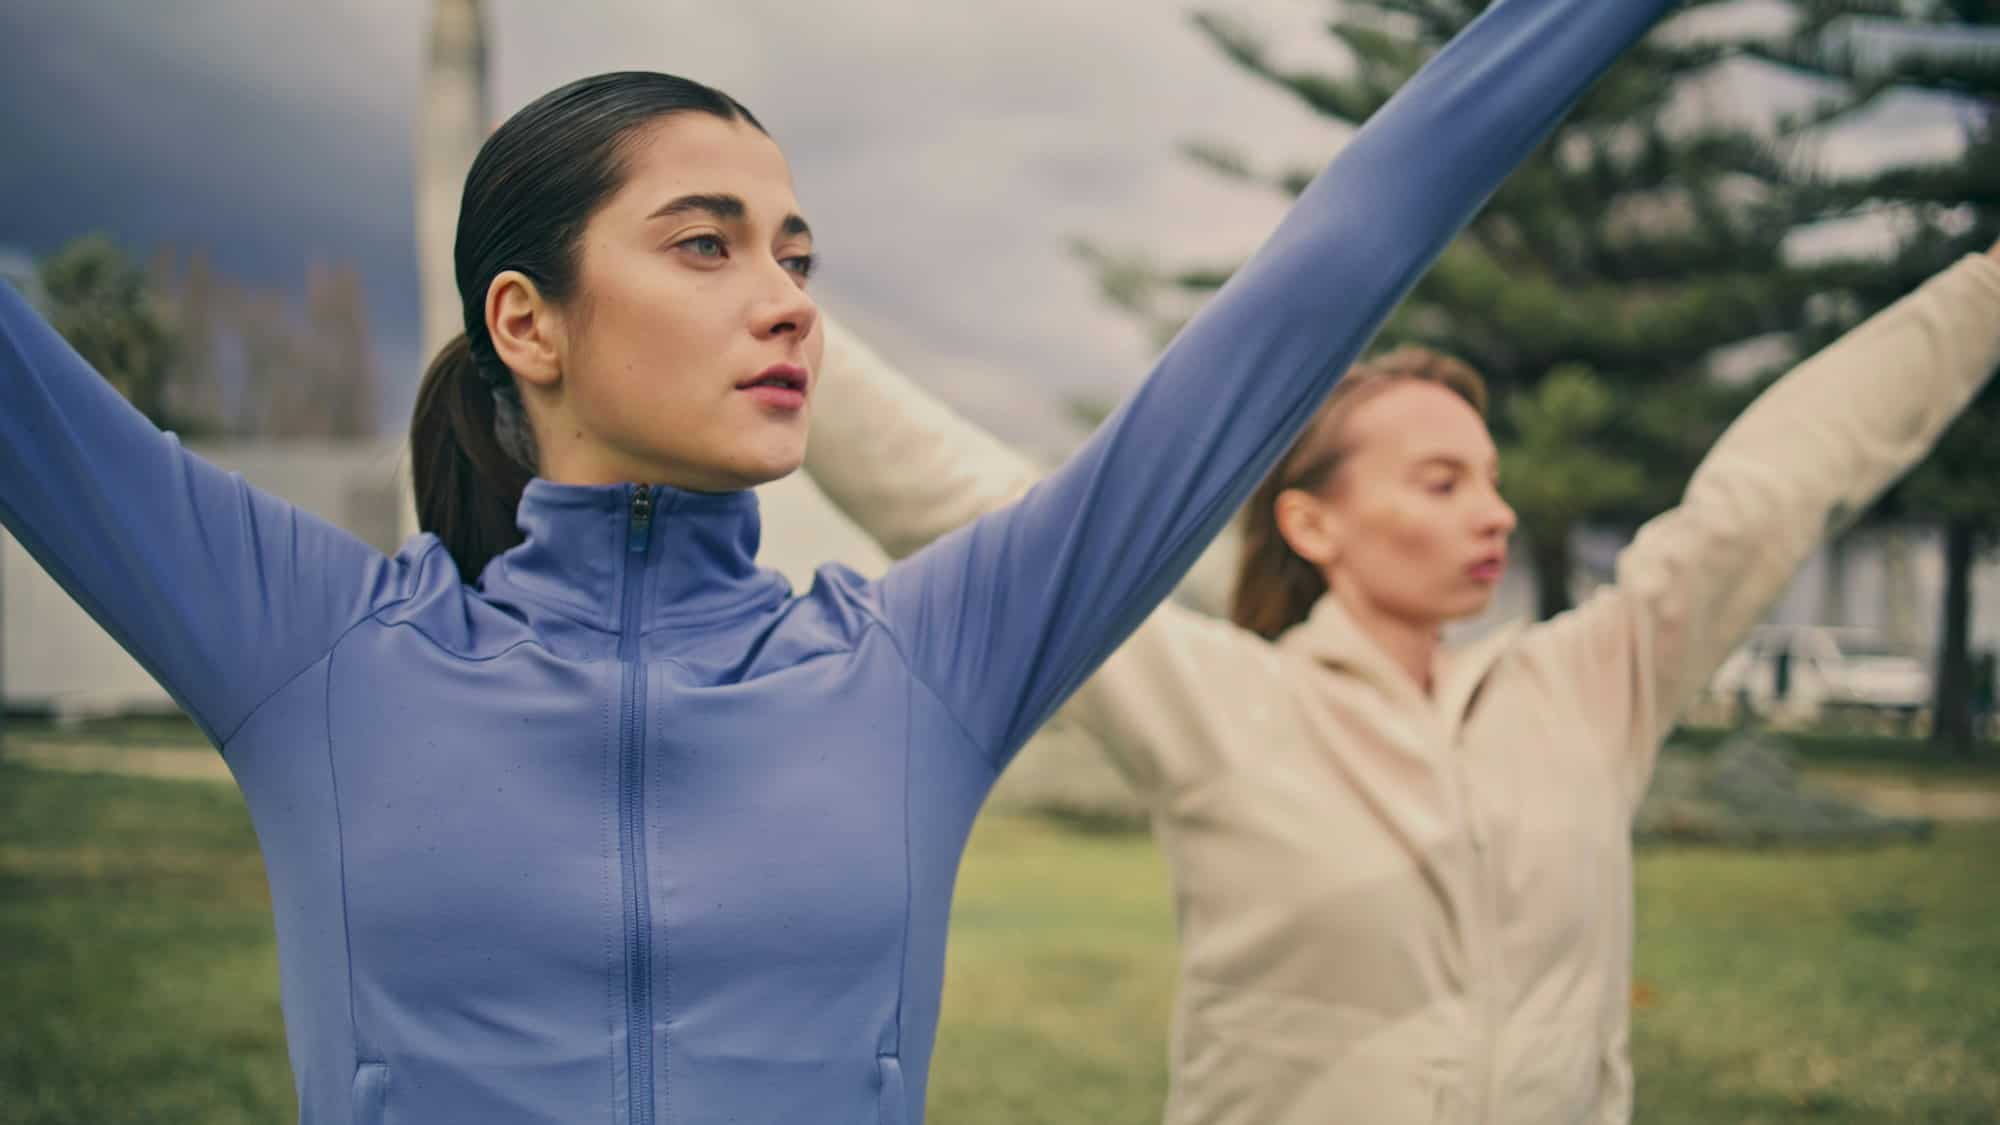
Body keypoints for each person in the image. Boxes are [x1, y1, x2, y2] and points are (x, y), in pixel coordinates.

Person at [0, 6, 1672, 1121]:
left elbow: (1310, 291)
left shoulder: (927, 663)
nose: (789, 296)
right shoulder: (318, 651)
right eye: (705, 244)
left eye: (797, 252)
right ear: (528, 323)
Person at [805, 238, 2000, 1122]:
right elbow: (978, 507)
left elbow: (1774, 487)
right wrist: (773, 323)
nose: (1493, 512)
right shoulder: (1220, 703)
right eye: (1438, 482)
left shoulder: (1587, 685)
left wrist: (1984, 288)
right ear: (1311, 524)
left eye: (1488, 478)